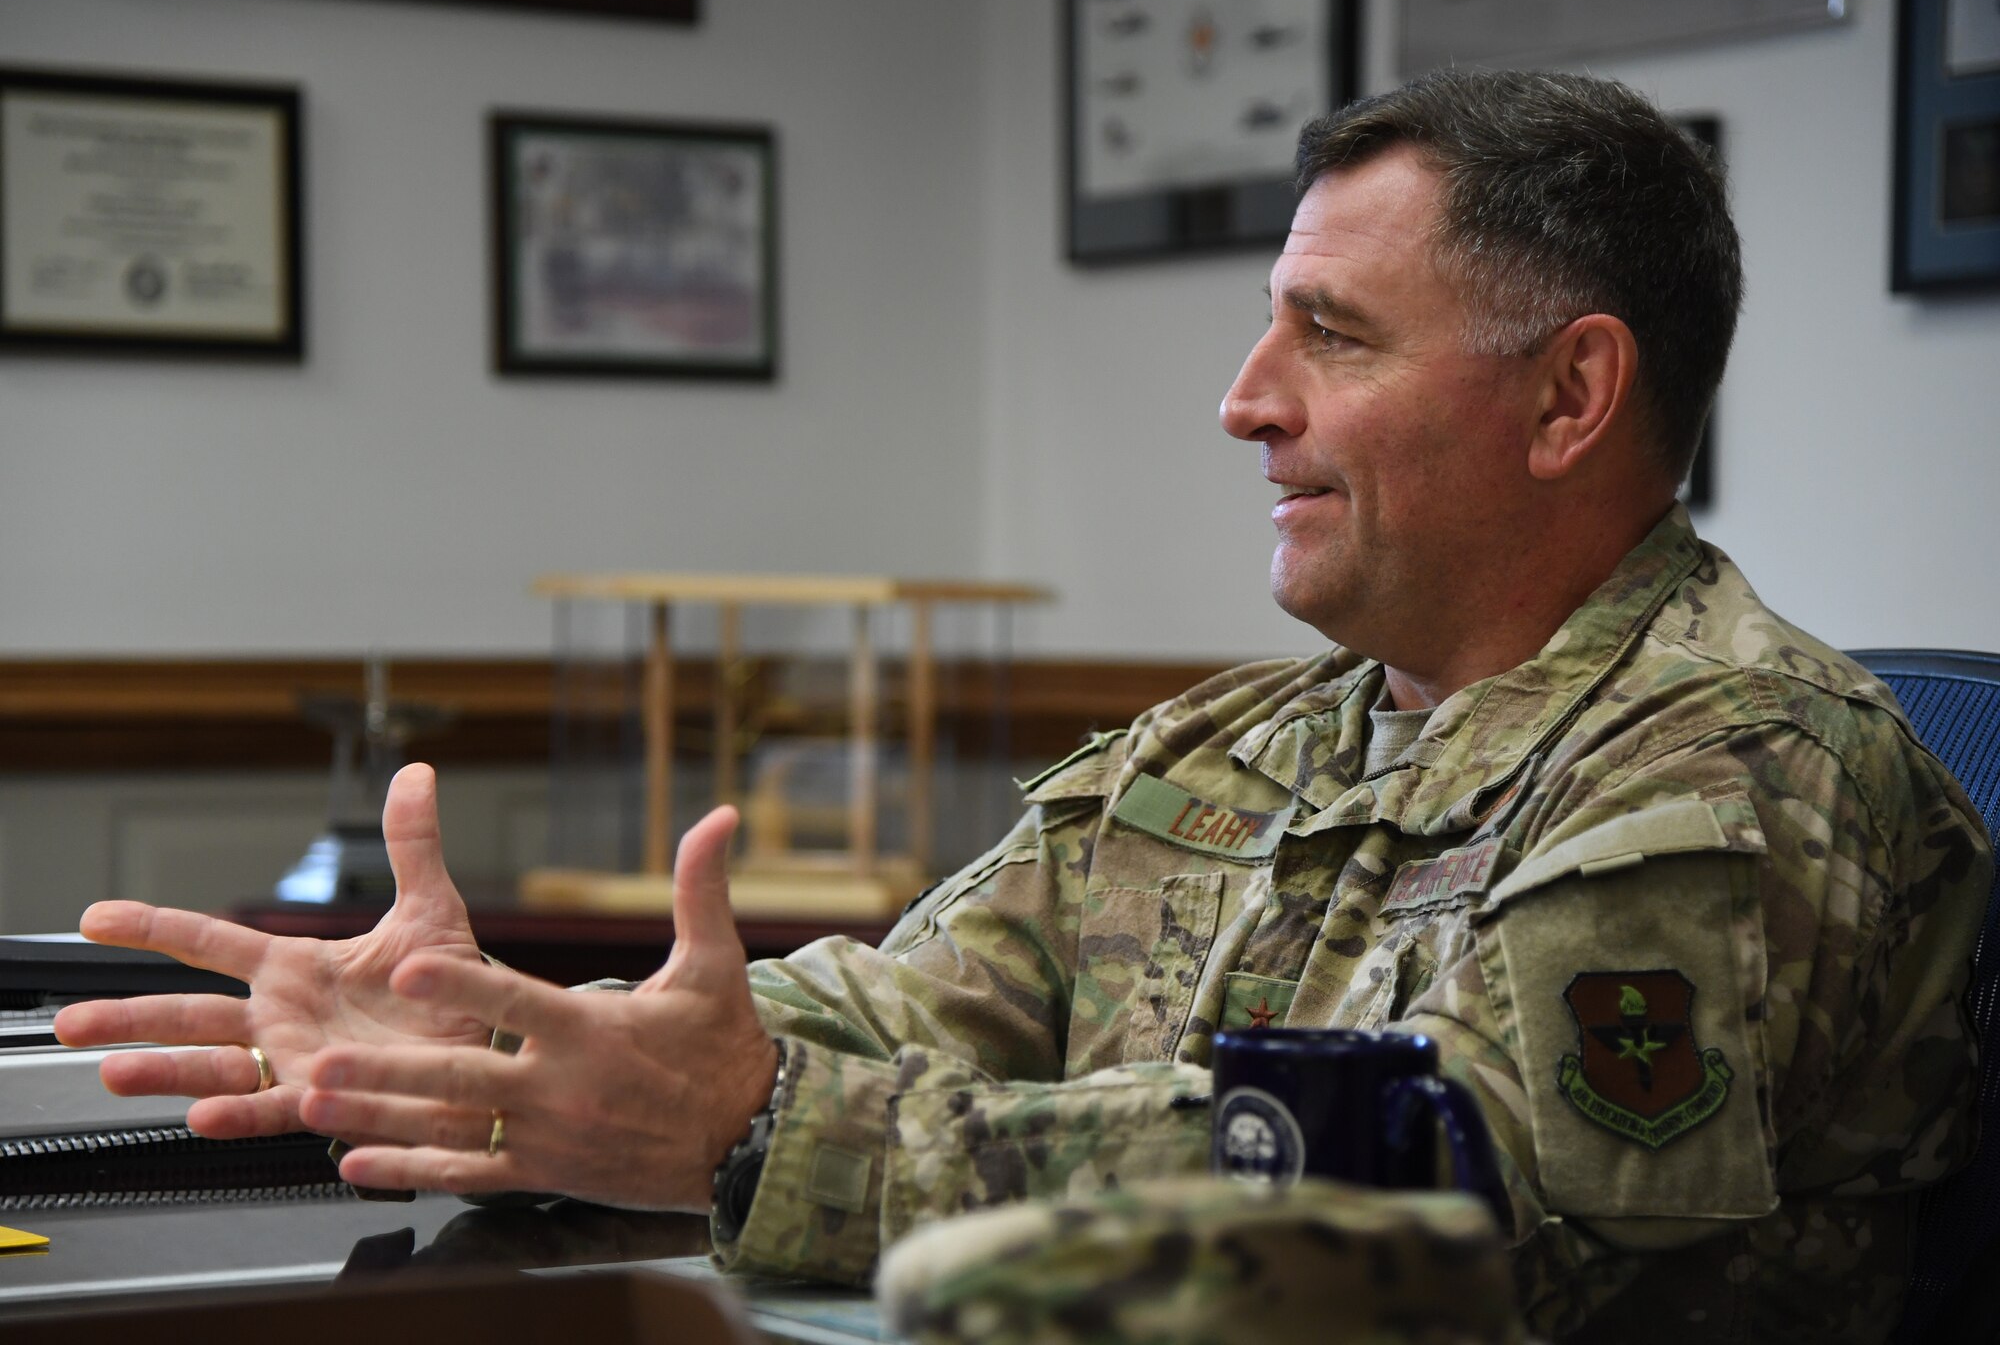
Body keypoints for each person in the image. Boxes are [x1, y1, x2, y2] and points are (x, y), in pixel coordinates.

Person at [57, 70, 1989, 1342]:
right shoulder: (1234, 747)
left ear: (1572, 397)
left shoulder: (1734, 765)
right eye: (1267, 323)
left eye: (1332, 334)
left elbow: (1453, 1215)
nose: (1246, 397)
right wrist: (519, 1047)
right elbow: (911, 1002)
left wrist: (746, 1138)